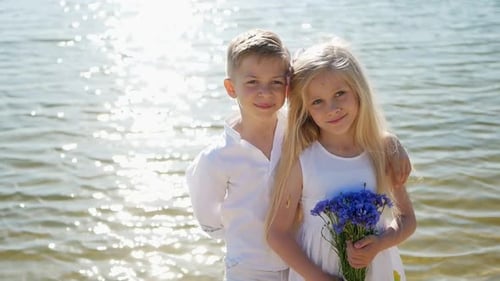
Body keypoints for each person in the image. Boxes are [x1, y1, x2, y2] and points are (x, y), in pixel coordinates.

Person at [186, 29, 411, 281]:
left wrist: (390, 141)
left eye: (276, 82)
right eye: (252, 82)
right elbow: (210, 222)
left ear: (288, 86)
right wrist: (241, 234)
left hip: (306, 260)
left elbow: (348, 134)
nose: (265, 92)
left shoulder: (297, 133)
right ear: (231, 87)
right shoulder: (217, 158)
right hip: (252, 266)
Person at [265, 37, 417, 281]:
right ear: (305, 109)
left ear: (358, 91)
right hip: (318, 272)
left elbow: (407, 220)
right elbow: (277, 234)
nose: (332, 108)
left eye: (340, 94)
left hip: (376, 270)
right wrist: (321, 278)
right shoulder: (302, 160)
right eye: (317, 102)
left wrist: (379, 243)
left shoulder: (382, 151)